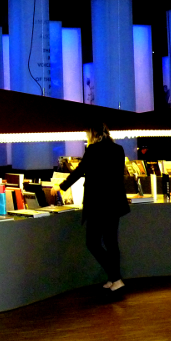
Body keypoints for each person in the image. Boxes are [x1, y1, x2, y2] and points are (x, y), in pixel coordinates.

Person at [51, 122, 130, 295]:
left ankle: (116, 278)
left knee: (92, 243)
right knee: (111, 243)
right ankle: (113, 279)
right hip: (114, 203)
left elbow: (79, 171)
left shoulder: (93, 150)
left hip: (98, 204)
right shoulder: (118, 149)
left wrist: (61, 186)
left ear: (93, 134)